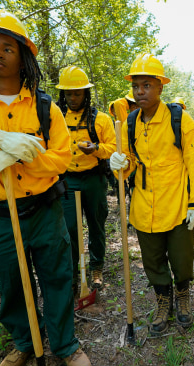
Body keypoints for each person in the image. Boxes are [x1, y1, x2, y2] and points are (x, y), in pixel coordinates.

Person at [0, 10, 91, 366]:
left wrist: (25, 156)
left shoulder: (46, 107)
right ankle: (26, 342)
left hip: (45, 210)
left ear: (22, 55)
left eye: (7, 48)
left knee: (58, 277)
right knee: (10, 284)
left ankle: (65, 344)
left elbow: (60, 159)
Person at [109, 53, 194, 335]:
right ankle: (163, 300)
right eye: (136, 86)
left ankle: (183, 295)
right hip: (143, 206)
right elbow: (129, 162)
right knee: (152, 261)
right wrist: (119, 164)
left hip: (177, 205)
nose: (140, 91)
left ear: (160, 87)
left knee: (181, 259)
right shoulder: (129, 122)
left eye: (147, 85)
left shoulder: (180, 119)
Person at [56, 65, 116, 292]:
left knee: (96, 224)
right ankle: (73, 272)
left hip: (93, 179)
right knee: (69, 227)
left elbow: (112, 147)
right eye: (68, 93)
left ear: (85, 93)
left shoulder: (100, 119)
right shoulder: (56, 117)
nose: (72, 97)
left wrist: (96, 149)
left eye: (77, 93)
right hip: (67, 181)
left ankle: (97, 267)